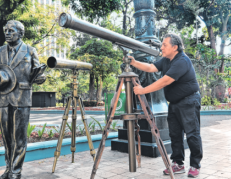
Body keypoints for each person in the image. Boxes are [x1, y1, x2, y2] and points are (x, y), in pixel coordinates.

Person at [129, 33, 202, 178]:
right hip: (175, 103)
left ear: (175, 47)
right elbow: (150, 68)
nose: (161, 47)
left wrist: (143, 90)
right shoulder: (166, 60)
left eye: (164, 45)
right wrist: (134, 62)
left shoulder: (182, 61)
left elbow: (165, 81)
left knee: (192, 134)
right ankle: (178, 164)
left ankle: (195, 165)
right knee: (174, 134)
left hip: (189, 101)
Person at [0, 20, 46, 179]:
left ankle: (16, 171)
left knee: (19, 138)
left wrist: (41, 77)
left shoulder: (30, 51)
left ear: (20, 33)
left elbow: (37, 72)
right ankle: (8, 169)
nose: (7, 33)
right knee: (6, 139)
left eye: (11, 31)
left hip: (22, 98)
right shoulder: (0, 51)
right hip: (4, 99)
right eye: (5, 30)